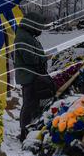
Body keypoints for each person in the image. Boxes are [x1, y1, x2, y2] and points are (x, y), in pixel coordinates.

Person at [14, 10, 56, 142]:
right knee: (29, 105)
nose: (40, 29)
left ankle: (28, 131)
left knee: (32, 104)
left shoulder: (27, 35)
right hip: (29, 76)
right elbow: (30, 58)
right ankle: (24, 133)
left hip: (32, 76)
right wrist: (45, 57)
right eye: (39, 26)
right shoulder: (23, 37)